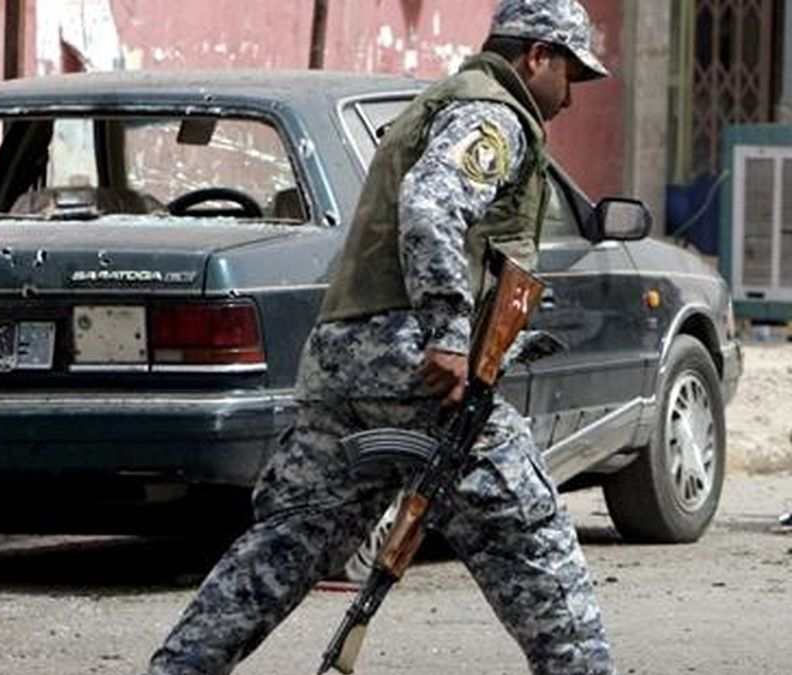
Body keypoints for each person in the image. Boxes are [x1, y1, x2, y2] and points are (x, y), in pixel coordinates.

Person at [144, 1, 614, 673]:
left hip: (342, 361)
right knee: (529, 535)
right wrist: (451, 332)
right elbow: (430, 205)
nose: (570, 97)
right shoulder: (496, 115)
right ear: (537, 55)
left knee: (288, 540)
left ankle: (179, 666)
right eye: (571, 73)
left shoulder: (437, 104)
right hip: (415, 363)